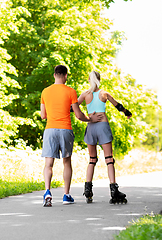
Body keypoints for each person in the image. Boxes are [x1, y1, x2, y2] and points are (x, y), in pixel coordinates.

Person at [40, 65, 101, 207]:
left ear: (54, 75)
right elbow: (79, 115)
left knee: (48, 164)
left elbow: (43, 115)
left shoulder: (45, 91)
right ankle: (66, 195)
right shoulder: (71, 91)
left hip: (50, 130)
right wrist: (90, 119)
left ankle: (47, 192)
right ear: (66, 76)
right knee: (66, 162)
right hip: (65, 130)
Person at [77, 71, 132, 204]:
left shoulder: (85, 94)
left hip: (90, 126)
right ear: (99, 79)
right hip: (102, 125)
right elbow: (118, 106)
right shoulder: (104, 93)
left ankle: (88, 190)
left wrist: (88, 117)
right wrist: (127, 113)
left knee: (92, 159)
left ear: (89, 79)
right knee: (109, 159)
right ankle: (114, 190)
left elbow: (73, 108)